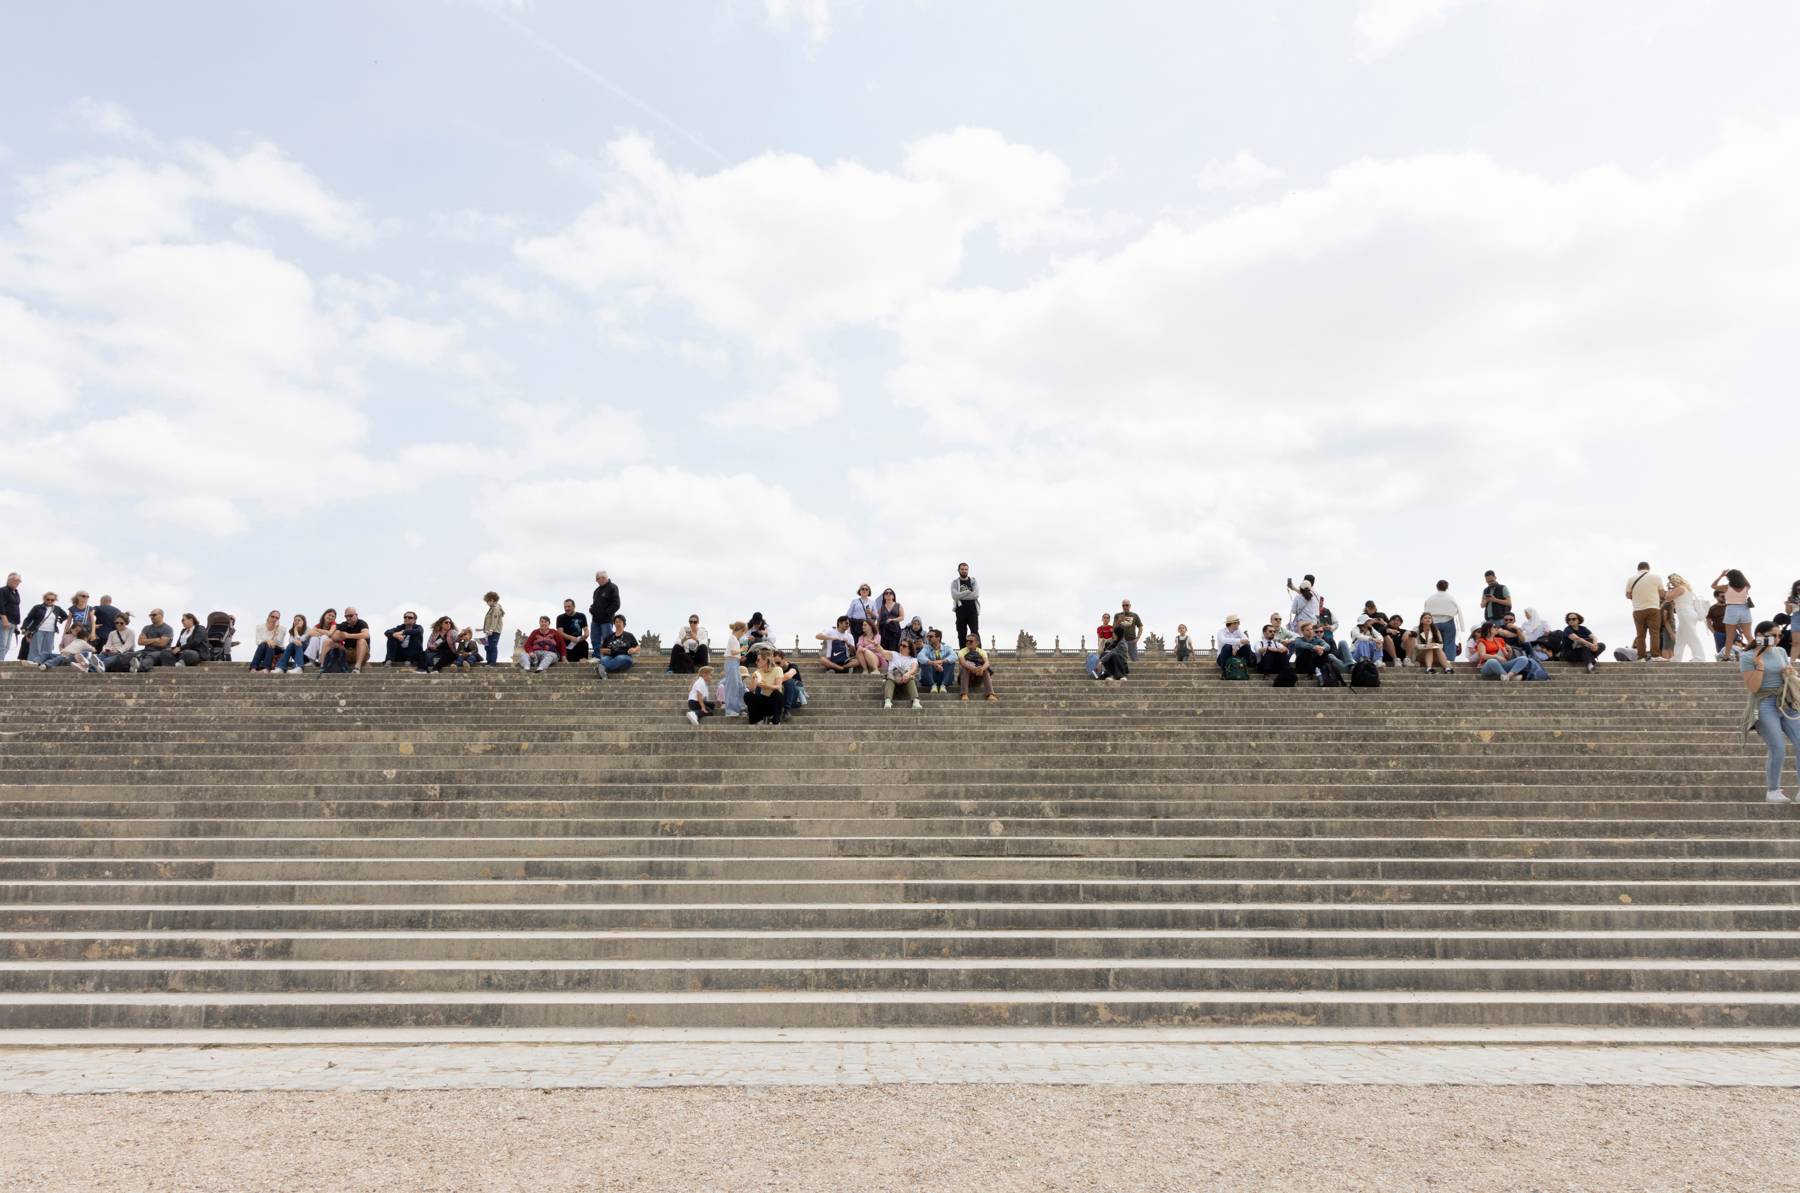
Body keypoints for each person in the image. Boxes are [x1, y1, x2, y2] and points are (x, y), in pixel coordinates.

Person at [1741, 621, 1800, 803]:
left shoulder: (1781, 652)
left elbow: (1786, 676)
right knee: (1778, 749)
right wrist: (1759, 665)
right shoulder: (1748, 656)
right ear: (1760, 635)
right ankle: (1773, 790)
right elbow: (1753, 687)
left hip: (1785, 703)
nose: (1777, 639)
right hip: (1764, 704)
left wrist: (1788, 672)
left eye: (1779, 635)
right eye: (1772, 635)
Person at [1665, 575, 1713, 664]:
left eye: (1670, 581)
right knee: (1680, 638)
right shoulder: (1685, 588)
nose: (1670, 583)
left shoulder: (1679, 588)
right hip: (1688, 614)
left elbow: (1667, 598)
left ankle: (1699, 657)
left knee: (1692, 636)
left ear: (1674, 580)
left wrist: (1668, 589)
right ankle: (1676, 658)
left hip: (1685, 614)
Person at [1623, 562, 1665, 661]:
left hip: (1638, 610)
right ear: (1648, 568)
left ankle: (1641, 657)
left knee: (1640, 635)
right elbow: (1662, 593)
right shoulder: (1656, 577)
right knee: (1654, 633)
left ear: (1638, 569)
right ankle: (1655, 655)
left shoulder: (1630, 579)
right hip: (1653, 608)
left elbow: (1628, 595)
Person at [1713, 569, 1753, 659]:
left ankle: (1726, 657)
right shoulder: (1746, 586)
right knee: (1749, 636)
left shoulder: (1727, 587)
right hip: (1745, 609)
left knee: (1730, 637)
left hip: (1732, 609)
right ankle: (1760, 654)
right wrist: (1741, 574)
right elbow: (1746, 582)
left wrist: (1721, 575)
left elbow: (1713, 586)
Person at [20, 592, 67, 664]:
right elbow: (29, 618)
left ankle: (45, 664)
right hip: (38, 630)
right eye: (48, 599)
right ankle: (32, 662)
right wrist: (24, 627)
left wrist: (60, 620)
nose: (50, 601)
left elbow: (65, 616)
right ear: (44, 599)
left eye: (52, 600)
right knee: (35, 648)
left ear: (55, 600)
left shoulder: (57, 609)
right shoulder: (37, 607)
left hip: (51, 631)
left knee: (48, 649)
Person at [744, 648, 788, 725]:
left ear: (766, 660)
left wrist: (767, 686)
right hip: (763, 700)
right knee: (748, 695)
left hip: (774, 701)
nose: (756, 662)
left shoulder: (778, 669)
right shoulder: (757, 672)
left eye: (758, 660)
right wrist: (754, 679)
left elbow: (778, 686)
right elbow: (752, 690)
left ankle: (775, 720)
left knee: (776, 693)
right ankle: (756, 720)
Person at [1423, 581, 1463, 663]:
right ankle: (1450, 661)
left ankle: (1436, 660)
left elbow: (1426, 610)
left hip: (1434, 622)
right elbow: (1457, 609)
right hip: (1448, 621)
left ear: (1437, 587)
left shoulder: (1431, 598)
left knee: (1435, 643)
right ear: (1447, 587)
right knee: (1449, 643)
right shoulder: (1450, 597)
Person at [957, 632, 997, 701]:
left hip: (978, 677)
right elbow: (963, 663)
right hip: (966, 678)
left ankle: (990, 694)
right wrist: (973, 668)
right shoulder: (962, 652)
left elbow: (987, 662)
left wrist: (981, 669)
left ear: (977, 643)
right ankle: (964, 693)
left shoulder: (982, 652)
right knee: (964, 668)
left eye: (971, 641)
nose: (968, 642)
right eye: (967, 641)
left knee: (985, 669)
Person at [883, 638, 922, 710]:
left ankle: (915, 701)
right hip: (892, 682)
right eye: (900, 645)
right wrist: (876, 645)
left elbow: (914, 668)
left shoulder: (913, 659)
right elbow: (883, 652)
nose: (901, 647)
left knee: (910, 677)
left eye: (904, 646)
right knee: (890, 677)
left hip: (906, 683)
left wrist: (908, 674)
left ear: (909, 649)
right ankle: (888, 701)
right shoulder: (894, 654)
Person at [589, 571, 620, 655]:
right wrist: (591, 609)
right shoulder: (596, 590)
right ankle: (597, 656)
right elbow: (596, 604)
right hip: (595, 620)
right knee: (594, 639)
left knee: (607, 639)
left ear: (603, 578)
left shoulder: (613, 587)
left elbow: (616, 604)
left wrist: (606, 613)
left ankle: (607, 656)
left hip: (606, 620)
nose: (596, 581)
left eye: (597, 579)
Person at [720, 621, 747, 716]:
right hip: (731, 663)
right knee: (732, 686)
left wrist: (740, 655)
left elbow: (734, 652)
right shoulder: (732, 638)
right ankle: (730, 710)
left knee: (739, 686)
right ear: (741, 630)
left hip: (734, 662)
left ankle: (738, 708)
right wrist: (742, 650)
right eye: (744, 632)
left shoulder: (734, 638)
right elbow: (733, 651)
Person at [917, 628, 956, 693]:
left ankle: (943, 685)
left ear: (938, 638)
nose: (928, 638)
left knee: (951, 662)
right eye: (927, 636)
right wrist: (933, 663)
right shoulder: (926, 648)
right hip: (929, 679)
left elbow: (954, 656)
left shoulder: (947, 648)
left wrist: (942, 661)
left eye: (931, 636)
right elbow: (919, 656)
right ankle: (933, 685)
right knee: (925, 662)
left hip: (943, 676)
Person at [333, 607, 370, 673]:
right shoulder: (343, 625)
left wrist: (347, 635)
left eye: (350, 615)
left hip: (361, 653)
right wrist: (340, 637)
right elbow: (334, 636)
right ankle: (324, 665)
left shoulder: (362, 623)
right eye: (346, 616)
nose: (348, 618)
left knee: (361, 640)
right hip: (347, 653)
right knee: (332, 642)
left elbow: (366, 635)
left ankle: (357, 667)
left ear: (356, 615)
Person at [951, 563, 980, 647]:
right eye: (962, 569)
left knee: (975, 632)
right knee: (961, 633)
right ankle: (963, 654)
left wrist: (961, 595)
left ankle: (978, 653)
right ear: (958, 570)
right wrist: (968, 592)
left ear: (968, 570)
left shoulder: (973, 581)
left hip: (972, 609)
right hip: (960, 609)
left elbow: (976, 595)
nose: (964, 571)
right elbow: (954, 596)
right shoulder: (955, 582)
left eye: (966, 569)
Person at [0, 572, 20, 663]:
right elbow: (1, 606)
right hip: (4, 621)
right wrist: (4, 619)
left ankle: (2, 661)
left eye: (19, 581)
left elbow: (16, 608)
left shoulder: (16, 592)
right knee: (2, 644)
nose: (18, 582)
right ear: (9, 580)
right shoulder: (3, 590)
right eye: (16, 580)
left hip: (13, 622)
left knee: (7, 646)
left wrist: (16, 624)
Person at [482, 592, 505, 666]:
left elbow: (494, 620)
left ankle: (492, 662)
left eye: (487, 601)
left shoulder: (495, 608)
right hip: (489, 631)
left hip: (494, 632)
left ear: (491, 600)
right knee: (487, 646)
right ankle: (489, 661)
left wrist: (491, 629)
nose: (487, 603)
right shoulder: (492, 608)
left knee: (492, 646)